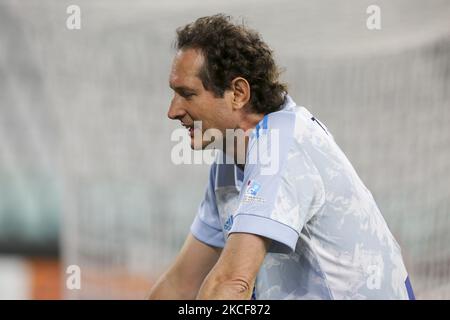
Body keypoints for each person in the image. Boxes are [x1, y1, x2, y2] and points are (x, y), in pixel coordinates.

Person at [148, 14, 415, 300]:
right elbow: (180, 284)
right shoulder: (229, 161)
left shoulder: (283, 143)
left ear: (238, 93)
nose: (172, 111)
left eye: (187, 94)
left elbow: (232, 283)